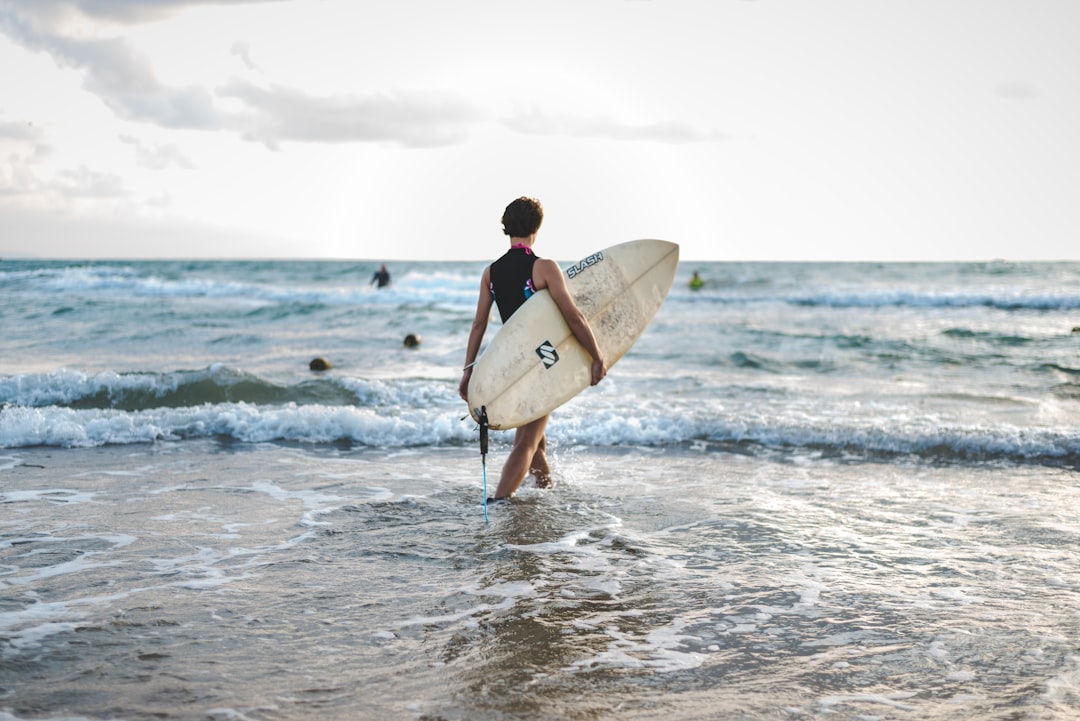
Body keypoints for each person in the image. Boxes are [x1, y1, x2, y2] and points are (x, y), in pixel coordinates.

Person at [459, 197, 607, 500]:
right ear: (536, 227)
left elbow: (478, 326)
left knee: (536, 437)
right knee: (527, 440)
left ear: (506, 228)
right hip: (542, 362)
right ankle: (500, 500)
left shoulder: (491, 273)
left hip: (512, 363)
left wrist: (467, 372)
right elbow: (573, 317)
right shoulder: (544, 268)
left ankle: (545, 493)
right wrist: (597, 356)